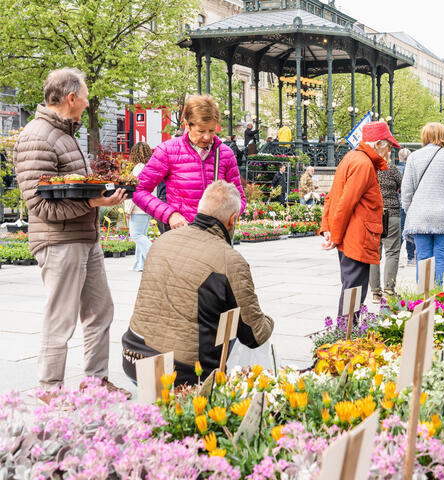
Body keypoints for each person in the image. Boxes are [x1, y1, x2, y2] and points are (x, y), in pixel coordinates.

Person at [13, 68, 130, 399]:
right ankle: (50, 389)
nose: (88, 100)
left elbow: (72, 190)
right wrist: (95, 201)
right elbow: (40, 205)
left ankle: (94, 382)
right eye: (86, 94)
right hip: (59, 241)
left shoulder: (64, 133)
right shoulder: (38, 137)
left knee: (99, 310)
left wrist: (100, 194)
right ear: (71, 98)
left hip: (83, 236)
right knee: (61, 317)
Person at [122, 181, 274, 385]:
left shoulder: (163, 240)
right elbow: (256, 335)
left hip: (133, 357)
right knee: (240, 335)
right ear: (233, 219)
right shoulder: (230, 260)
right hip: (182, 371)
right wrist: (268, 321)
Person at [133, 95, 246, 229]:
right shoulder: (167, 151)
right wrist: (170, 215)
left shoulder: (225, 154)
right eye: (201, 131)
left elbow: (239, 198)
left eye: (212, 130)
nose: (207, 137)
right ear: (187, 125)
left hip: (216, 236)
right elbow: (138, 190)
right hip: (183, 234)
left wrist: (228, 216)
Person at [320, 121, 397, 315]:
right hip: (357, 237)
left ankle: (345, 335)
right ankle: (345, 337)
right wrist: (334, 236)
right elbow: (346, 202)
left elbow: (333, 196)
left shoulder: (351, 157)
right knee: (354, 291)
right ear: (378, 143)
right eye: (388, 146)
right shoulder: (363, 164)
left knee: (351, 288)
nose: (390, 151)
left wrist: (329, 229)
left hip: (352, 235)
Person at [401, 123, 444, 286]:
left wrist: (408, 208)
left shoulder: (413, 157)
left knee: (423, 256)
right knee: (442, 256)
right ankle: (442, 298)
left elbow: (406, 190)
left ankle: (423, 298)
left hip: (420, 215)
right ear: (443, 136)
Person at [369, 138, 403, 302]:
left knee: (374, 254)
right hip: (392, 213)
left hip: (373, 214)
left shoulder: (369, 168)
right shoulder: (392, 169)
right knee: (392, 252)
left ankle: (375, 292)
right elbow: (402, 187)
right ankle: (389, 290)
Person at [124, 142, 154, 272]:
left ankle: (153, 260)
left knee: (136, 235)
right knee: (142, 235)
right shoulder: (150, 167)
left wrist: (127, 209)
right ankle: (139, 264)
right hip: (147, 206)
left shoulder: (138, 168)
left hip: (137, 207)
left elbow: (132, 190)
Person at [397, 148, 416, 265]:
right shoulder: (411, 171)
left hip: (398, 205)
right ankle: (410, 256)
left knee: (399, 232)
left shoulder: (395, 170)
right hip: (409, 205)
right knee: (410, 231)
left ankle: (396, 255)